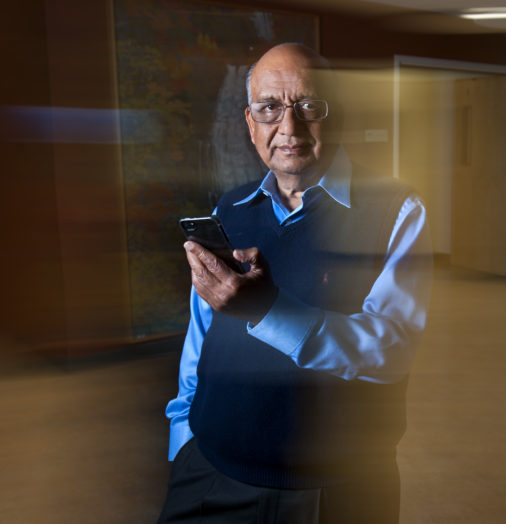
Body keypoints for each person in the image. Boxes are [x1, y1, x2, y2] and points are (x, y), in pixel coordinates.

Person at [157, 43, 432, 523]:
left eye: (310, 106)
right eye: (269, 108)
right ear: (250, 121)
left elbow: (393, 352)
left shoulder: (397, 210)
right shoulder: (230, 208)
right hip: (209, 474)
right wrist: (183, 437)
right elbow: (200, 335)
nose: (289, 128)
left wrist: (269, 311)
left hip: (333, 491)